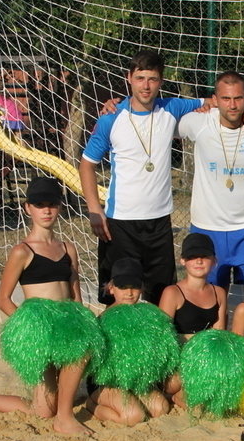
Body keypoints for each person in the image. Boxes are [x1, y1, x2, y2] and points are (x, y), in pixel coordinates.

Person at [79, 50, 205, 305]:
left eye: (153, 79)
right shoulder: (111, 118)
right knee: (118, 296)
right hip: (120, 223)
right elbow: (86, 165)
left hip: (159, 222)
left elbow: (215, 102)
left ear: (161, 81)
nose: (146, 86)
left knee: (161, 296)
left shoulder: (172, 107)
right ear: (129, 78)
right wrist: (94, 209)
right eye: (140, 78)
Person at [0, 177, 97, 435]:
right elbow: (3, 299)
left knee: (81, 348)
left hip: (67, 326)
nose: (46, 210)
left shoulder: (68, 248)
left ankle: (64, 417)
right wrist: (31, 330)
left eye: (51, 204)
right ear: (28, 208)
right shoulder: (22, 251)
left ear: (60, 207)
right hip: (40, 330)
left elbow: (75, 295)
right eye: (39, 205)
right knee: (42, 410)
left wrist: (83, 323)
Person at [177, 71, 244, 293]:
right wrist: (117, 107)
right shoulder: (198, 123)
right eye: (226, 99)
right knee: (210, 300)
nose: (233, 105)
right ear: (215, 100)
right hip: (208, 228)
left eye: (238, 98)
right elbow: (157, 117)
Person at [86, 258, 172, 425]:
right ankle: (91, 404)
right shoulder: (102, 320)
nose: (129, 293)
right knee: (133, 416)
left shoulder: (147, 316)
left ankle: (131, 397)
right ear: (111, 288)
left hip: (135, 381)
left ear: (142, 288)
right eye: (123, 287)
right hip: (106, 383)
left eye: (134, 287)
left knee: (161, 408)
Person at [159, 232, 227, 407]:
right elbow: (162, 338)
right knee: (181, 383)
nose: (198, 261)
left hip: (204, 360)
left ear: (214, 261)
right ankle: (176, 395)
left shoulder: (219, 293)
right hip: (178, 363)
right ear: (182, 261)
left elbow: (219, 336)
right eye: (192, 256)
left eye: (204, 257)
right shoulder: (172, 292)